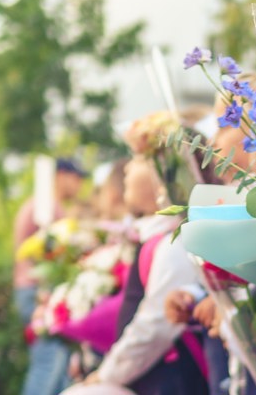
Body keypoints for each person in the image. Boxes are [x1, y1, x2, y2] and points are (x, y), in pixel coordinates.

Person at [80, 155, 208, 395]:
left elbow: (156, 325)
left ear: (163, 174)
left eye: (139, 158)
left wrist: (107, 374)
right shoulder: (153, 237)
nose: (127, 166)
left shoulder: (174, 241)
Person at [15, 157, 88, 395]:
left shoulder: (41, 204)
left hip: (32, 290)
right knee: (49, 363)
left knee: (57, 364)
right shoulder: (47, 208)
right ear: (61, 176)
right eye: (77, 178)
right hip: (40, 292)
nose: (79, 186)